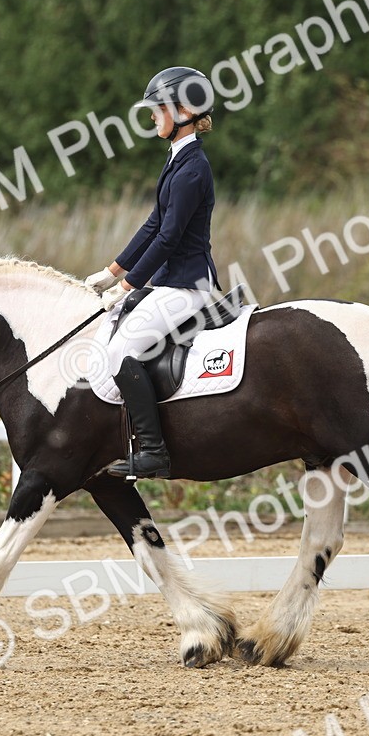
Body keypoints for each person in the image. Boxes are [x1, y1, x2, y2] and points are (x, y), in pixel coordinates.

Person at [84, 66, 221, 480]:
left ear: (183, 112)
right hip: (170, 279)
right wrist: (111, 272)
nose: (151, 116)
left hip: (188, 284)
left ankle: (153, 451)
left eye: (158, 109)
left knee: (121, 354)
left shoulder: (193, 169)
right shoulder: (179, 158)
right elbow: (153, 224)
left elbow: (168, 238)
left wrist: (127, 285)